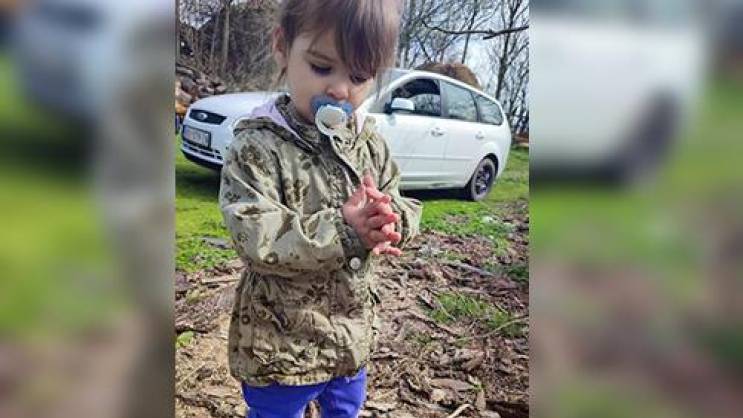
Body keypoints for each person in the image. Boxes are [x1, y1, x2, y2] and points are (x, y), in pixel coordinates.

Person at [218, 1, 422, 417]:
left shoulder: (369, 144)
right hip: (280, 345)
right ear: (282, 47)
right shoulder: (258, 147)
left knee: (345, 410)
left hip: (349, 340)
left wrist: (390, 220)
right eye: (322, 67)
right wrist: (344, 229)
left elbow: (401, 199)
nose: (340, 90)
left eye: (359, 76)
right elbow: (256, 236)